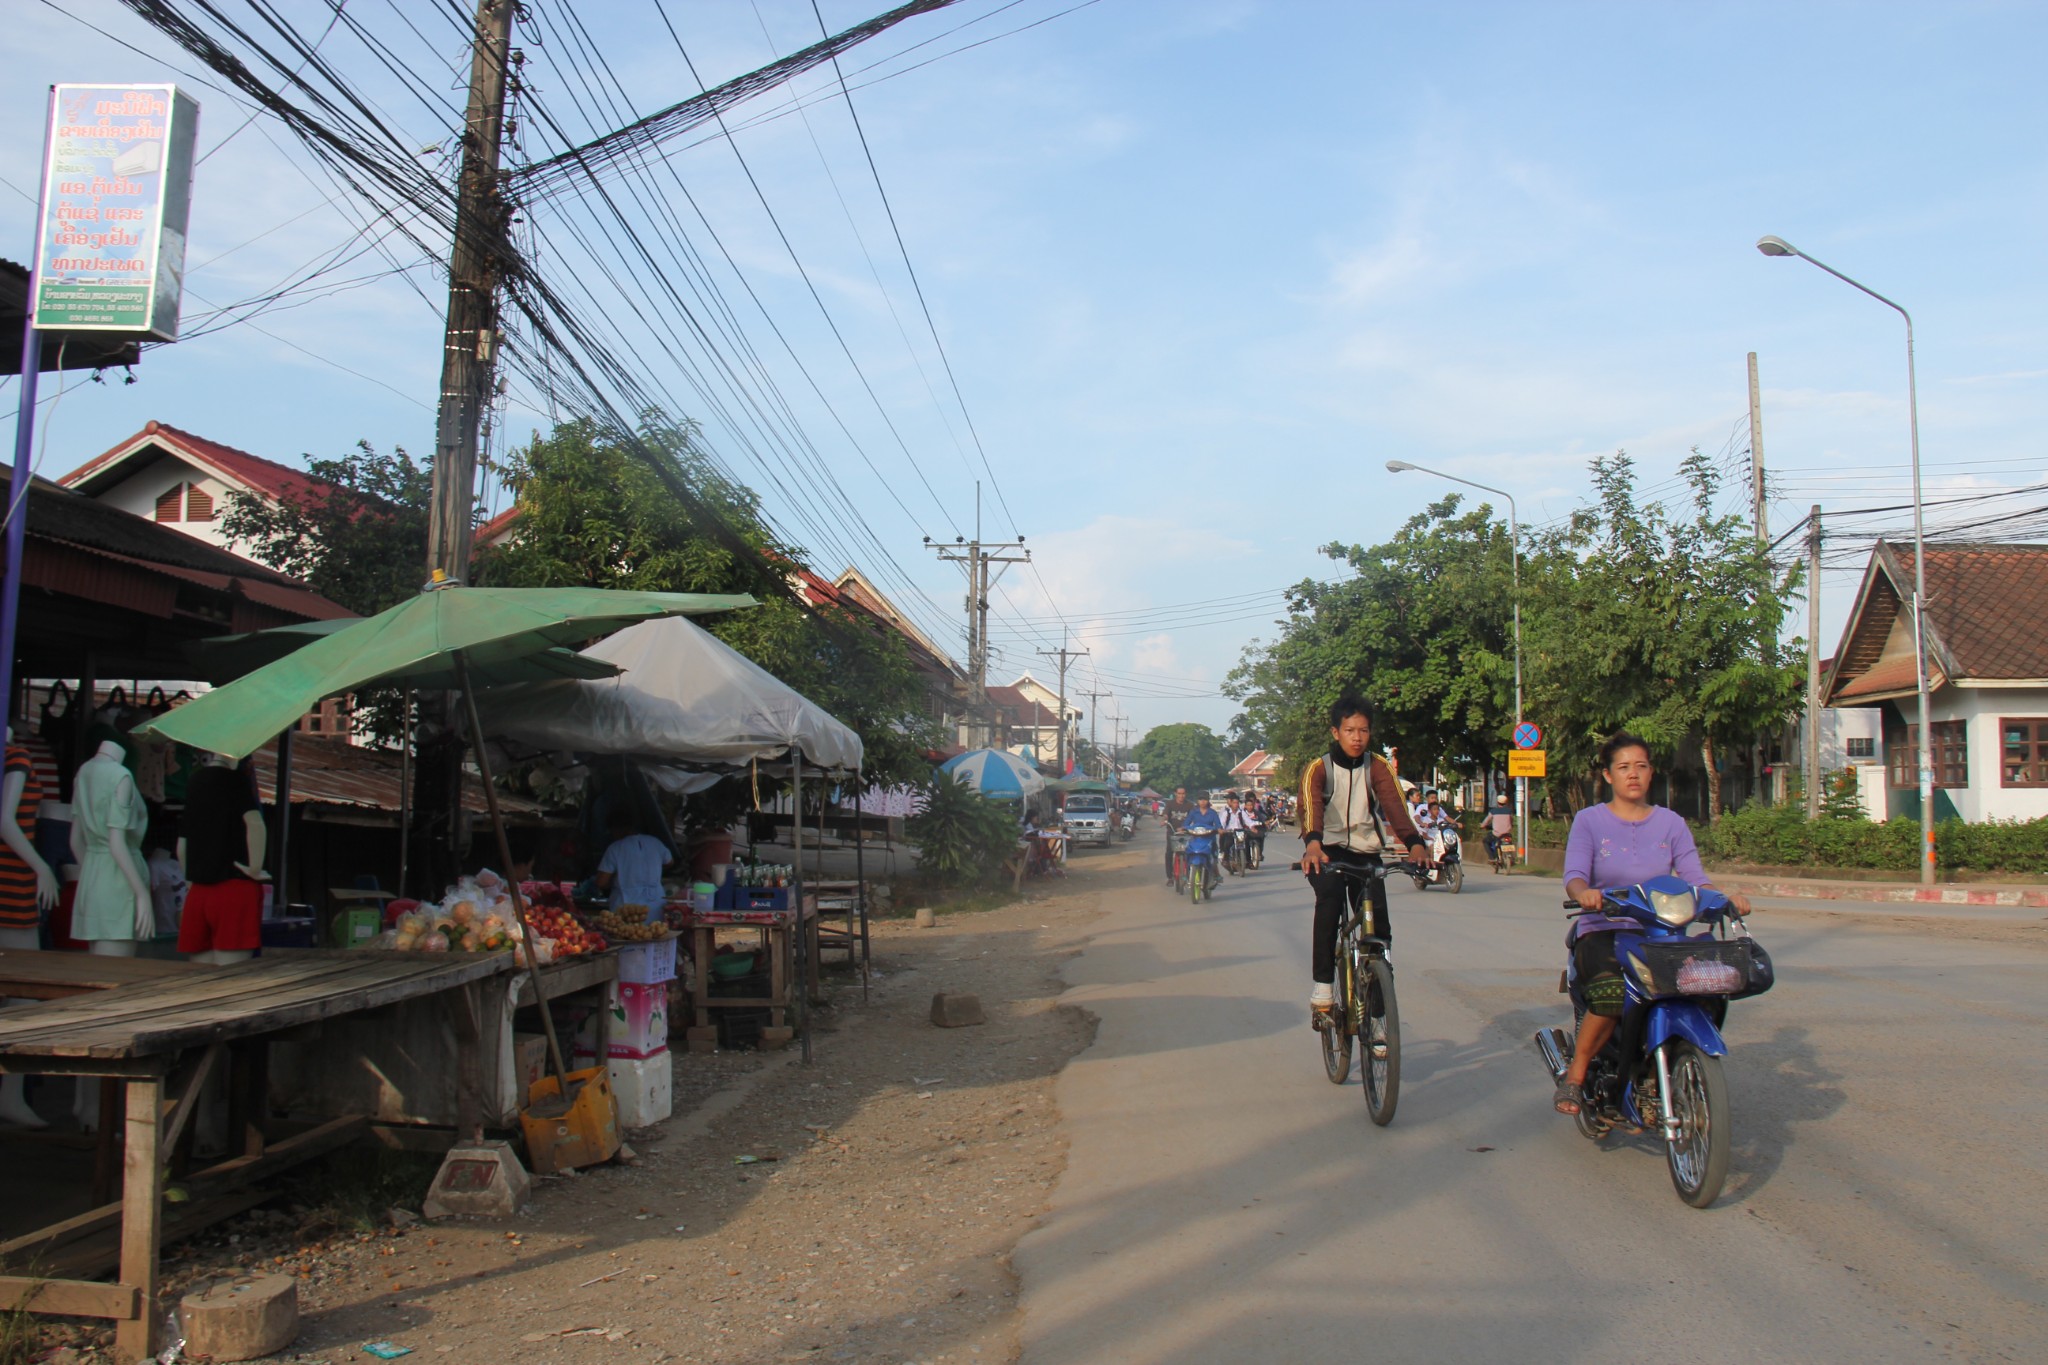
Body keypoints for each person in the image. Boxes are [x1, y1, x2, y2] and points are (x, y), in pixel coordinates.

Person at [1555, 733, 1753, 1116]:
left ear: (1651, 773)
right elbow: (1575, 874)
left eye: (1641, 766)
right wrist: (1584, 893)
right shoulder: (1589, 821)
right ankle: (1576, 1075)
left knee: (1704, 985)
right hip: (1604, 928)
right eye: (1624, 767)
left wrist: (1724, 900)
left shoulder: (1671, 823)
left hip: (1660, 932)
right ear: (1609, 776)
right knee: (1613, 994)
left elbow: (1696, 878)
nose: (1633, 775)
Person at [1298, 695, 1431, 1027]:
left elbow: (1395, 806)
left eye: (1364, 731)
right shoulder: (1319, 768)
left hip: (1366, 851)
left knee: (1379, 926)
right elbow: (1310, 808)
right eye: (1349, 730)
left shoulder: (1378, 767)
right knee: (1329, 901)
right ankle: (1324, 987)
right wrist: (1313, 844)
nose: (1357, 737)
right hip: (1326, 850)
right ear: (1336, 732)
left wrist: (1414, 843)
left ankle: (1377, 1007)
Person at [595, 809, 674, 922]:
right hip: (655, 904)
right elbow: (669, 862)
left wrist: (615, 879)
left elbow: (601, 882)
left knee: (628, 936)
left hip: (626, 907)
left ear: (616, 829)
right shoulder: (655, 842)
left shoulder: (615, 848)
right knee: (656, 935)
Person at [1180, 793, 1224, 888]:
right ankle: (1186, 873)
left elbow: (1218, 825)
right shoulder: (1193, 812)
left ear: (1208, 801)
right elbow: (1186, 823)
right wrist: (1183, 828)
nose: (1202, 802)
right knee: (1187, 852)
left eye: (1204, 800)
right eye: (1200, 800)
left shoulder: (1212, 812)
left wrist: (1219, 829)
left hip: (1209, 838)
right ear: (1197, 801)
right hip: (1195, 838)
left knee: (1213, 857)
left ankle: (1216, 875)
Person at [1218, 792, 1262, 871]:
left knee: (1247, 842)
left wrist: (1252, 827)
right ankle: (1226, 859)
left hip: (1241, 832)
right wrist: (1222, 830)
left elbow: (1248, 821)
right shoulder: (1226, 813)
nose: (1236, 804)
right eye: (1234, 803)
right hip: (1230, 833)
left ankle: (1248, 861)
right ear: (1231, 803)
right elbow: (1222, 823)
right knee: (1227, 843)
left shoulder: (1242, 813)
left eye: (1237, 803)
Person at [1161, 785, 1193, 885]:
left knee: (1190, 853)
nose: (1181, 796)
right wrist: (1165, 819)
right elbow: (1166, 814)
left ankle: (1190, 873)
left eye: (1183, 793)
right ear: (1175, 794)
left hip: (1186, 833)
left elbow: (1194, 816)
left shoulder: (1190, 805)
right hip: (1172, 832)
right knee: (1169, 853)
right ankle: (1170, 877)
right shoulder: (1170, 804)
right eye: (1179, 793)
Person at [1486, 790, 1513, 864]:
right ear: (1506, 802)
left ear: (1498, 802)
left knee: (1485, 841)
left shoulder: (1493, 811)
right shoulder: (1509, 811)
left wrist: (1482, 825)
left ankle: (1492, 857)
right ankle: (1511, 857)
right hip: (1507, 834)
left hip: (1496, 834)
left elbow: (1486, 821)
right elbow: (1511, 820)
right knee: (1510, 841)